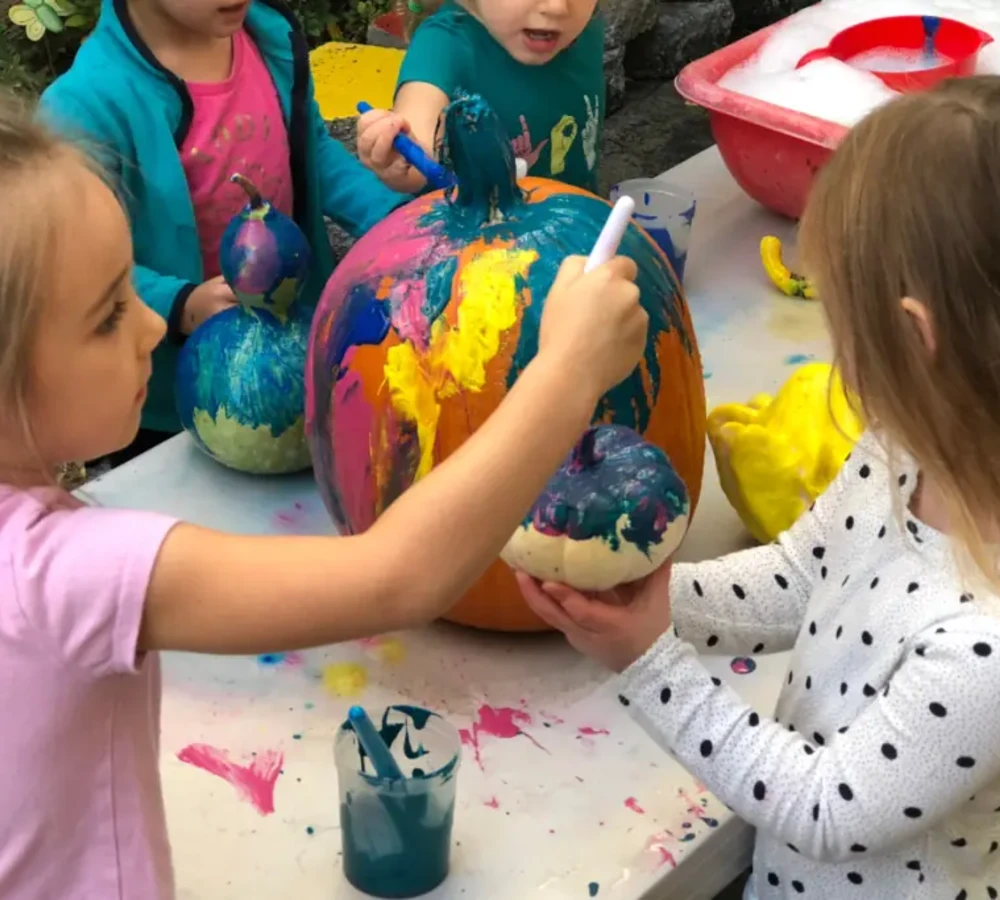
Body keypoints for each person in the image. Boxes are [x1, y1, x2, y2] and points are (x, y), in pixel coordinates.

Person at [0, 95, 646, 898]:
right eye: (106, 317)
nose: (153, 327)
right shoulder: (57, 577)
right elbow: (396, 577)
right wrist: (568, 373)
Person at [519, 76, 1000, 899]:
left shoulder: (982, 647)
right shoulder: (901, 455)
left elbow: (826, 808)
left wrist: (647, 662)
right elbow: (801, 573)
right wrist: (659, 593)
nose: (835, 351)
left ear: (914, 337)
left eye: (841, 320)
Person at [39, 0, 411, 455]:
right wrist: (182, 305)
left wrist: (393, 218)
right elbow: (72, 267)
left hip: (294, 348)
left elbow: (311, 151)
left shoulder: (268, 39)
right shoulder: (87, 105)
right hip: (171, 396)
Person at [357, 0, 605, 194]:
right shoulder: (442, 46)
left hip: (581, 238)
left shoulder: (586, 26)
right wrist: (403, 156)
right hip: (483, 252)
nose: (557, 7)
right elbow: (418, 140)